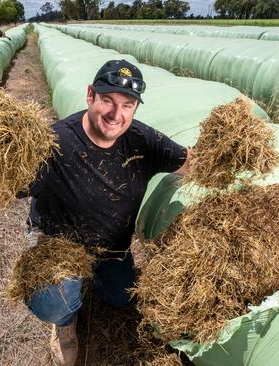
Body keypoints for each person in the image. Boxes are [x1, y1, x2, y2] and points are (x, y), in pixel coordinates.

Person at [18, 59, 191, 366]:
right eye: (108, 101)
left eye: (127, 105)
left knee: (120, 298)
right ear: (90, 95)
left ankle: (96, 275)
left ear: (135, 107)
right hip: (59, 246)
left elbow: (190, 162)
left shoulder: (143, 140)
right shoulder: (55, 142)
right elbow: (8, 183)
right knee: (53, 303)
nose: (116, 114)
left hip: (112, 247)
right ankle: (64, 323)